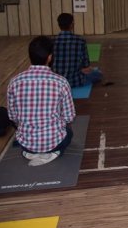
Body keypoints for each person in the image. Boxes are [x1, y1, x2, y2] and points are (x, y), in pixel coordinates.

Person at [7, 36, 76, 166]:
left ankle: (31, 152)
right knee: (69, 133)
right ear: (50, 57)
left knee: (25, 137)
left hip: (26, 143)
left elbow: (13, 116)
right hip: (55, 141)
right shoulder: (61, 82)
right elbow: (69, 117)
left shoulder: (14, 82)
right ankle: (54, 152)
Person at [53, 13, 103, 87]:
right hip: (76, 81)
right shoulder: (80, 40)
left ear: (59, 25)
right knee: (98, 73)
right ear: (72, 25)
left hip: (57, 82)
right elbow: (86, 64)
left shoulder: (52, 42)